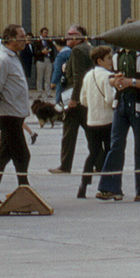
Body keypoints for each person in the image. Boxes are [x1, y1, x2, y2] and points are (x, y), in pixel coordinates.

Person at [98, 45, 140, 201]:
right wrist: (114, 81)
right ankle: (111, 188)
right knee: (115, 145)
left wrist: (131, 82)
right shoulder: (116, 57)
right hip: (120, 104)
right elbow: (110, 77)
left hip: (139, 106)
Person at [0, 25, 33, 196]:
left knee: (4, 156)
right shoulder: (2, 60)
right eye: (21, 36)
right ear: (10, 39)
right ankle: (24, 189)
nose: (25, 40)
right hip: (8, 115)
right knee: (22, 155)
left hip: (16, 115)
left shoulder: (13, 57)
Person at [50, 27, 93, 174]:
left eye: (73, 34)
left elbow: (78, 76)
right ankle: (99, 164)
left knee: (68, 134)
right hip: (86, 98)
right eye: (67, 34)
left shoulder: (77, 51)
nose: (68, 36)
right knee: (91, 133)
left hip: (76, 100)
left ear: (82, 36)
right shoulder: (88, 48)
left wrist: (74, 99)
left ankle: (65, 165)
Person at [77, 46, 116, 199]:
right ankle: (107, 185)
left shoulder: (88, 76)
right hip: (107, 120)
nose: (111, 62)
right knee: (109, 152)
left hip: (92, 121)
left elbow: (83, 100)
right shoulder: (107, 76)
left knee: (93, 154)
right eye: (108, 58)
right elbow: (110, 99)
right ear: (100, 60)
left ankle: (84, 184)